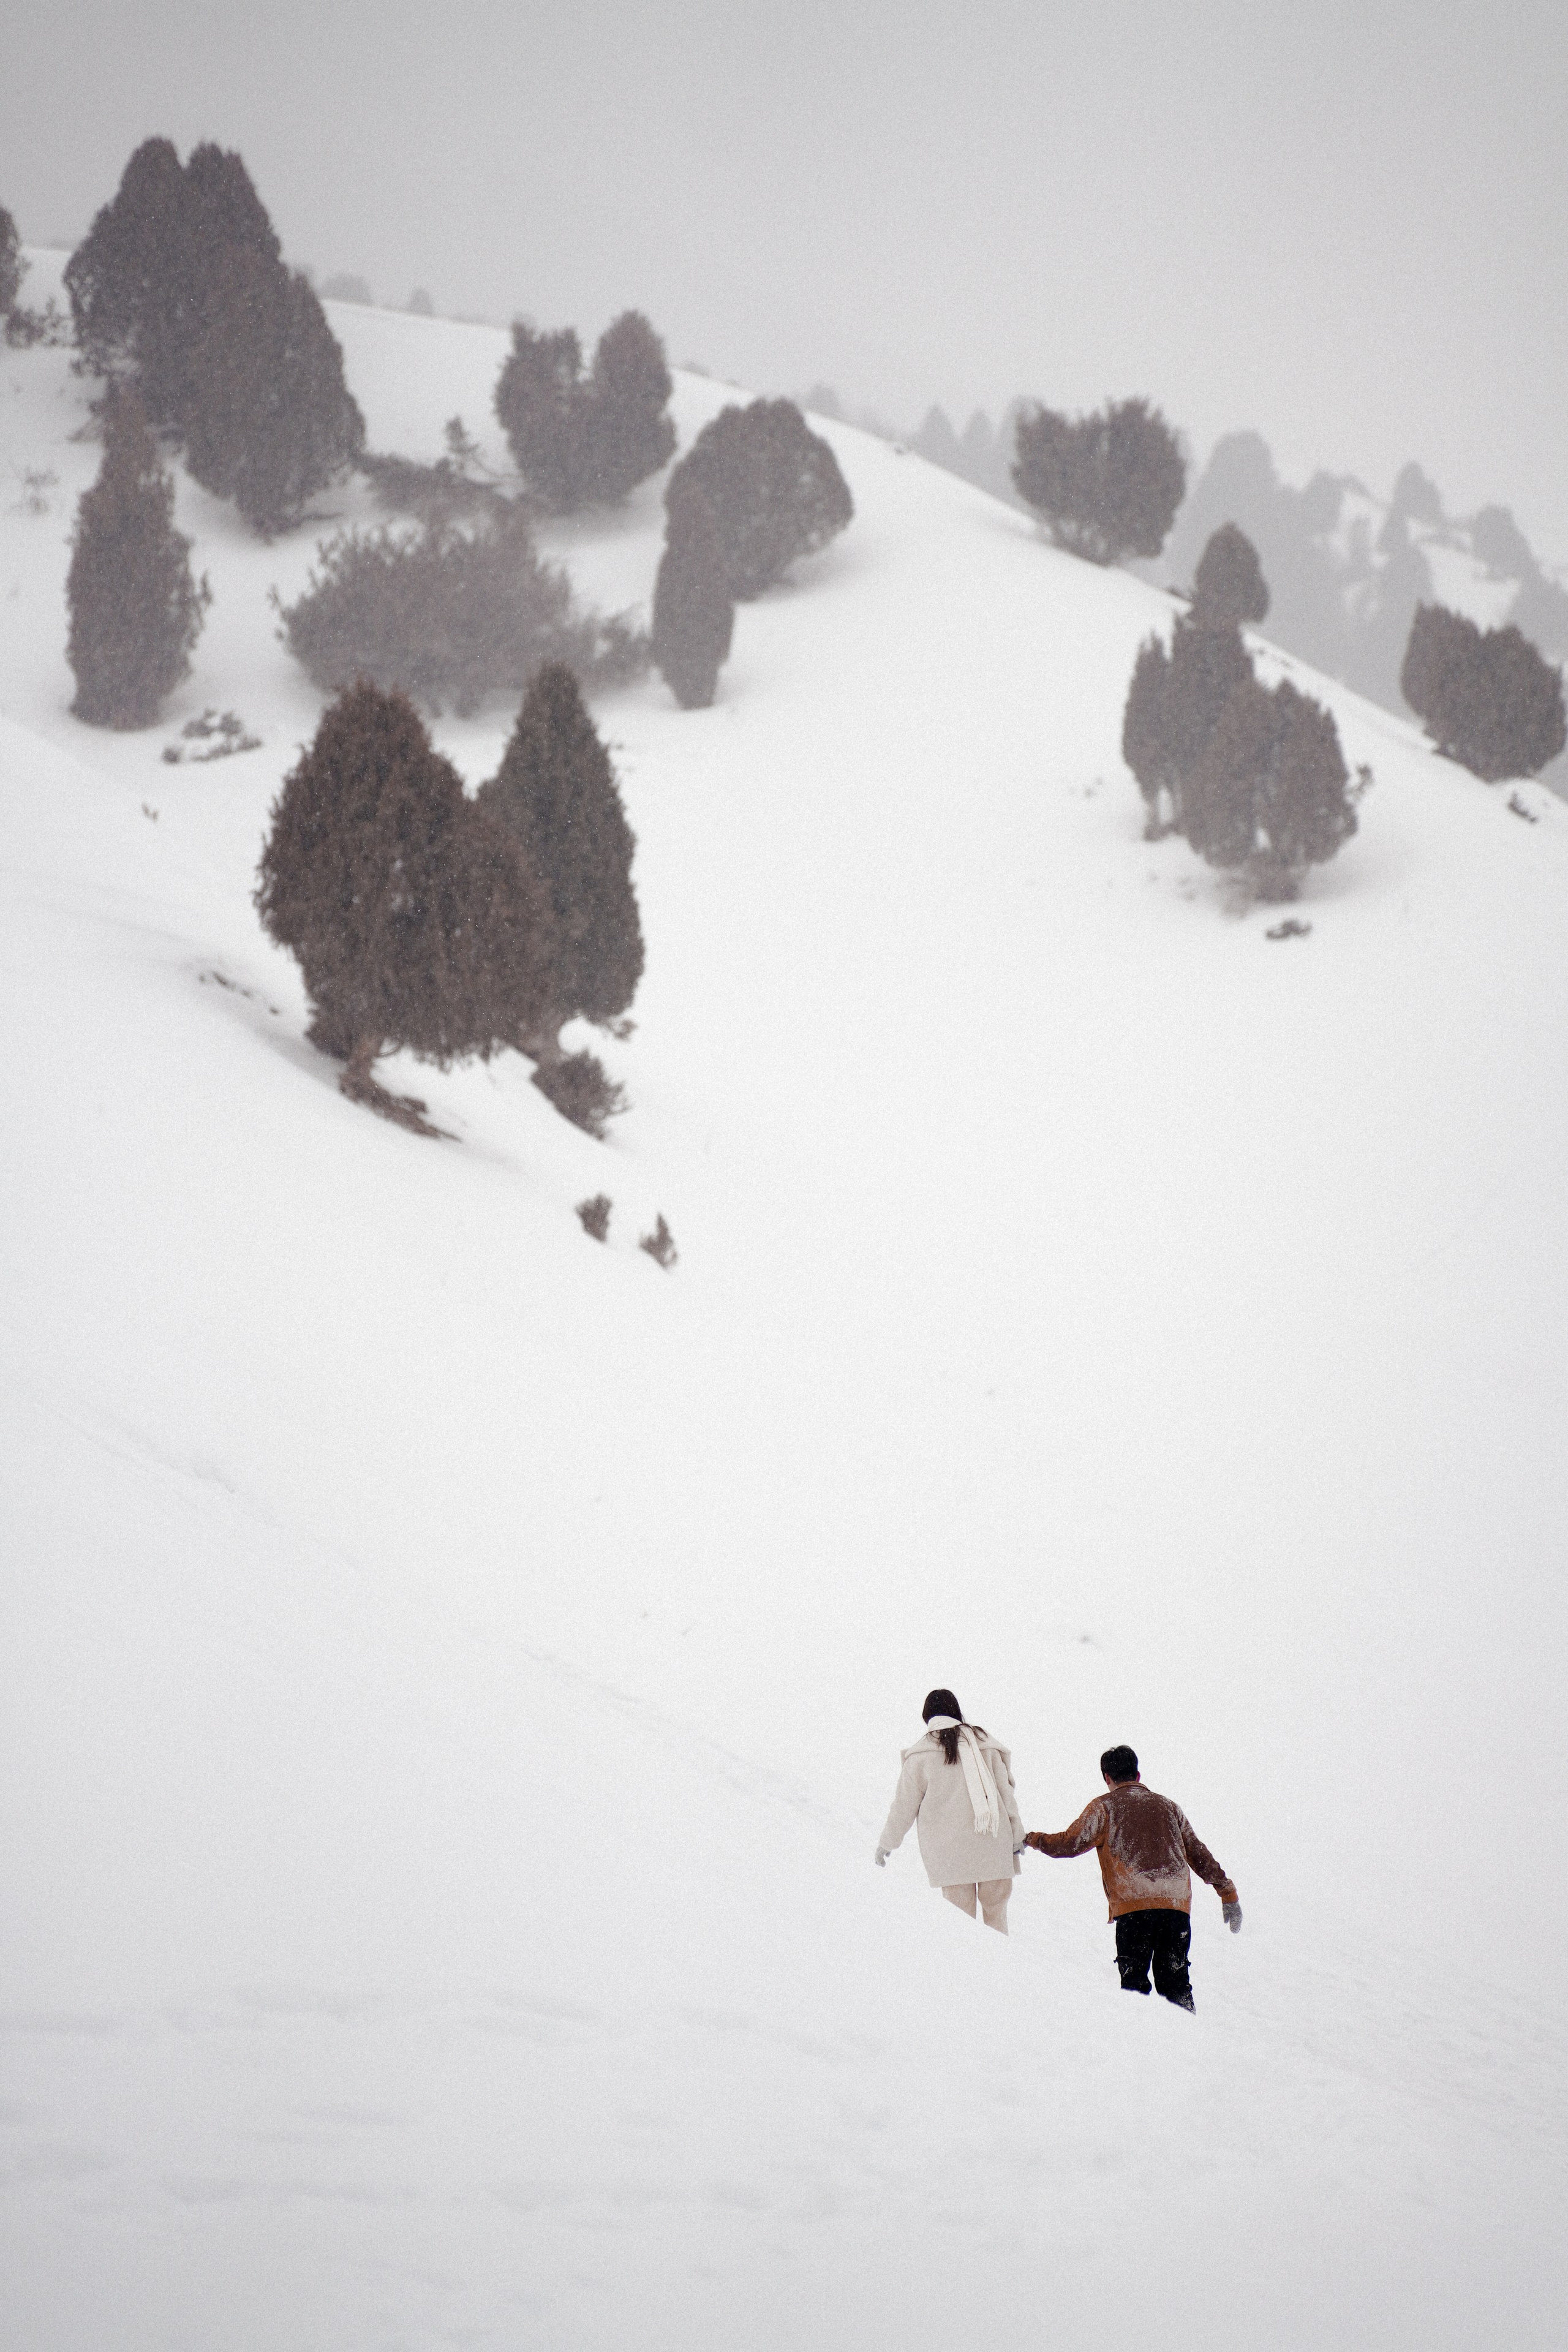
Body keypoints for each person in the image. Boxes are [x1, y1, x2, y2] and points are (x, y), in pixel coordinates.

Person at [1023, 1744, 1240, 2009]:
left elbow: (1069, 1844)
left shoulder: (1104, 1807)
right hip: (1175, 1907)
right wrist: (1227, 1892)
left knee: (1135, 1989)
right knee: (1176, 1985)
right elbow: (1198, 1853)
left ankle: (1143, 2046)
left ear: (1107, 1778)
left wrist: (1031, 1839)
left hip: (1134, 1907)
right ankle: (1187, 2044)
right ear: (1138, 1775)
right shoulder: (1169, 1807)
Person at [876, 1688, 1025, 1933]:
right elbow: (1006, 1794)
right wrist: (1017, 1834)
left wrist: (887, 1843)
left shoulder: (920, 1756)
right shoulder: (985, 1744)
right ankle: (1000, 1969)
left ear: (928, 1718)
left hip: (950, 1856)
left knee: (961, 1927)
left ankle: (968, 1970)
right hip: (993, 1847)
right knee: (996, 1922)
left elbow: (903, 1807)